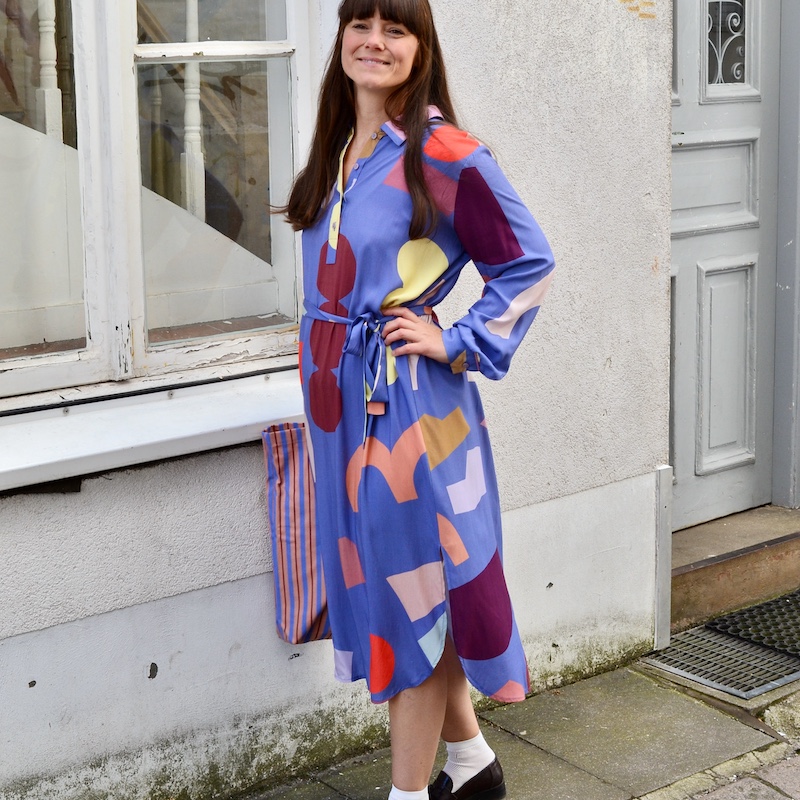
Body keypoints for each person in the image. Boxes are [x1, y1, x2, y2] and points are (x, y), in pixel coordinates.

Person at [282, 1, 555, 798]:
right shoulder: (344, 143)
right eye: (360, 23)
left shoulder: (441, 150)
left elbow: (529, 262)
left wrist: (457, 339)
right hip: (342, 411)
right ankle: (471, 764)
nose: (373, 41)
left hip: (406, 410)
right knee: (398, 590)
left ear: (421, 46)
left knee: (413, 603)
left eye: (394, 28)